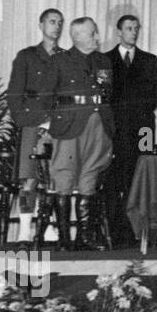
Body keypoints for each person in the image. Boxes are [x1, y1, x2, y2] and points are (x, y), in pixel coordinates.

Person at [47, 18, 116, 251]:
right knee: (64, 177)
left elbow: (108, 90)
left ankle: (85, 236)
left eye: (96, 33)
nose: (97, 37)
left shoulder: (103, 60)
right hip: (69, 125)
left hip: (99, 125)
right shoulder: (59, 60)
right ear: (76, 36)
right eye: (92, 34)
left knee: (90, 177)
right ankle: (64, 238)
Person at [2, 8, 64, 248]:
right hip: (32, 122)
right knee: (29, 180)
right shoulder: (26, 56)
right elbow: (14, 93)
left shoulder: (67, 57)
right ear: (41, 25)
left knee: (55, 178)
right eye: (51, 21)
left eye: (59, 22)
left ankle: (48, 226)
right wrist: (26, 121)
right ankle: (25, 231)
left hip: (59, 126)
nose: (56, 26)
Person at [105, 14, 157, 246]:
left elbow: (156, 94)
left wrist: (138, 111)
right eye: (129, 28)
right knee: (114, 175)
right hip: (116, 128)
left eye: (136, 28)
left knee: (143, 168)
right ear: (119, 32)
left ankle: (140, 229)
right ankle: (118, 229)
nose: (133, 32)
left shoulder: (149, 60)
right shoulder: (105, 59)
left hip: (144, 129)